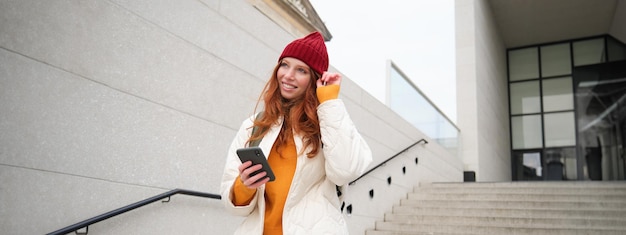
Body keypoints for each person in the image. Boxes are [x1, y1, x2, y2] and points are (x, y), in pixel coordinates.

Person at [220, 31, 372, 234]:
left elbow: (346, 171)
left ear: (314, 78)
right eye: (284, 65)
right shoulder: (254, 125)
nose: (288, 75)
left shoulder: (327, 125)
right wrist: (245, 186)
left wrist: (330, 102)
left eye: (301, 70)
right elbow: (232, 201)